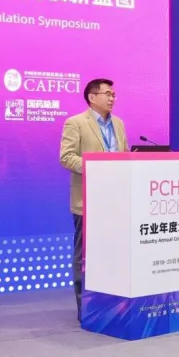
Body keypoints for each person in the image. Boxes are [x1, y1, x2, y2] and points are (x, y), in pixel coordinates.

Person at [59, 78, 129, 323]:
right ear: (92, 97)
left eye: (113, 94)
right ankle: (85, 308)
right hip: (87, 201)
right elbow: (66, 157)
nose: (112, 98)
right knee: (84, 256)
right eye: (107, 94)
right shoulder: (76, 123)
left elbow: (124, 156)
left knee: (112, 253)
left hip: (116, 200)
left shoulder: (118, 124)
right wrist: (96, 166)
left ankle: (110, 303)